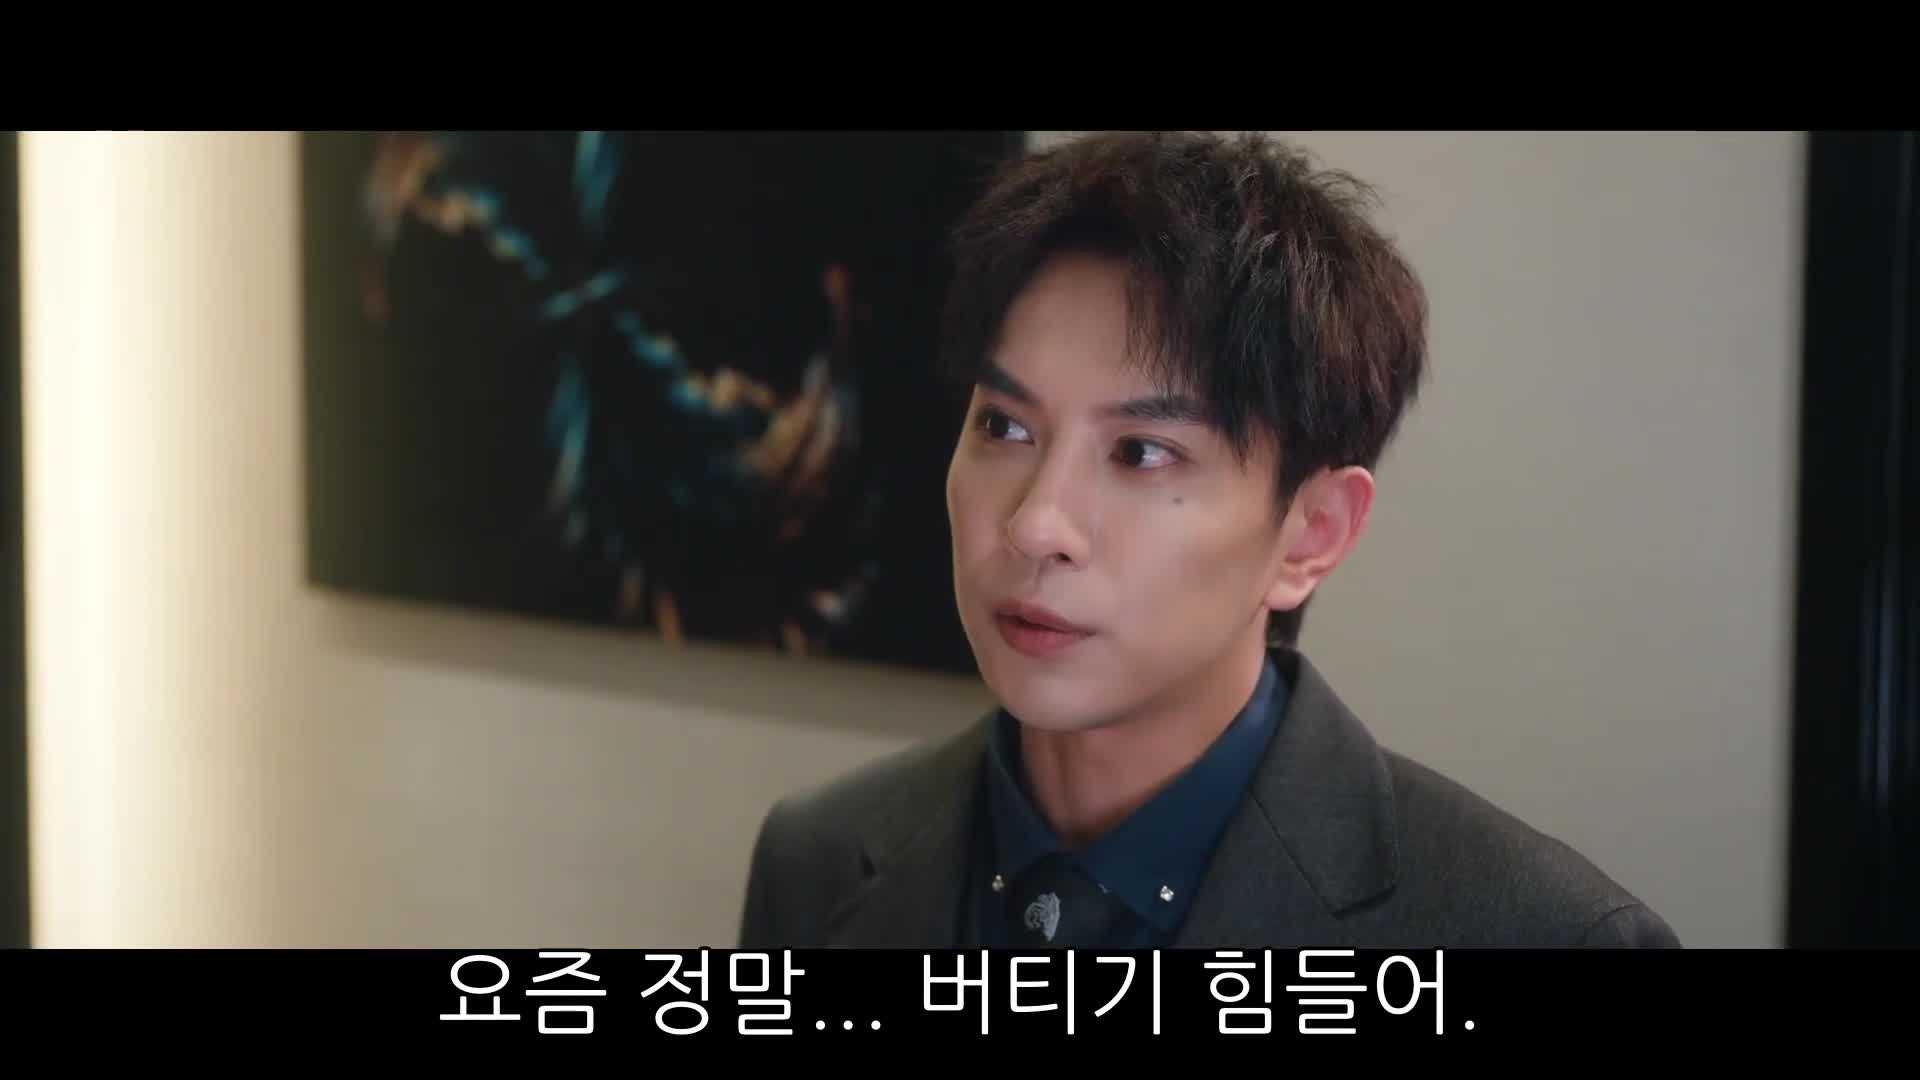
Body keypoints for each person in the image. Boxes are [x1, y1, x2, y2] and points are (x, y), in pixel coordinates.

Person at [736, 130, 1680, 950]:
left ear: (1310, 534)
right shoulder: (819, 857)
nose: (1035, 523)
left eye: (1142, 452)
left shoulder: (1540, 931)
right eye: (1005, 427)